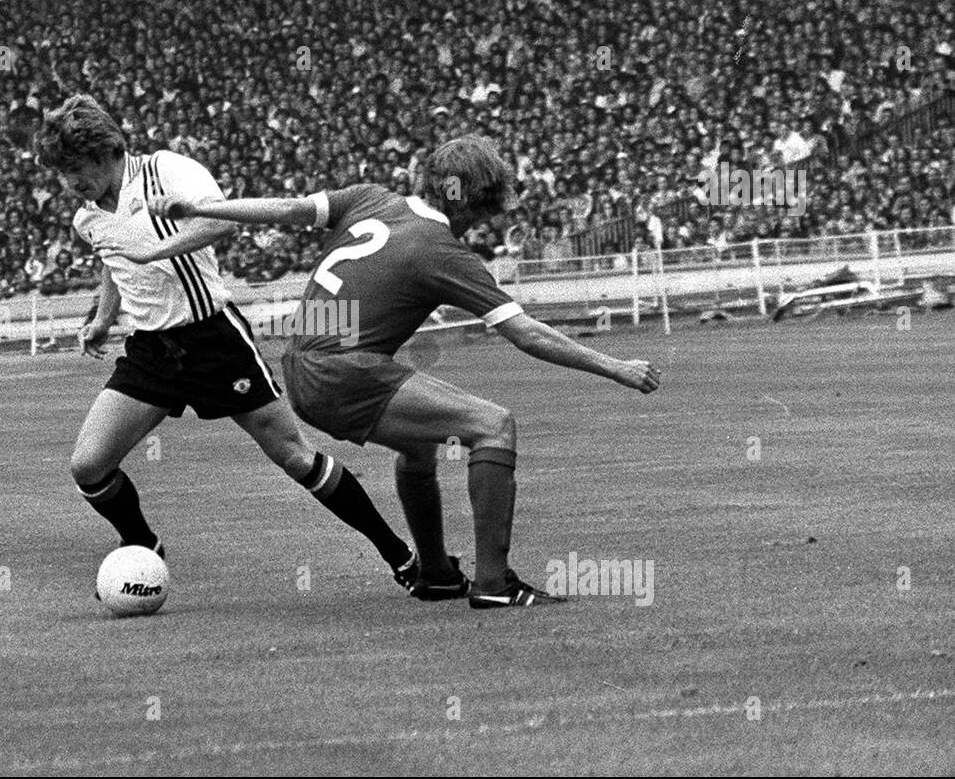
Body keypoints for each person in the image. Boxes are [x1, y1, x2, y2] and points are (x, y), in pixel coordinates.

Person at [108, 135, 662, 609]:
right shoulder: (440, 249)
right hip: (343, 371)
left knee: (419, 446)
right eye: (490, 208)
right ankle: (495, 584)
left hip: (300, 368)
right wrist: (616, 367)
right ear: (474, 202)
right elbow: (526, 333)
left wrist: (202, 209)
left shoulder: (373, 198)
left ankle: (436, 574)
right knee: (494, 426)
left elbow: (290, 209)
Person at [33, 95, 419, 591]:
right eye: (62, 173)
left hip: (213, 339)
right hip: (151, 351)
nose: (71, 182)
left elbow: (220, 220)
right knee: (88, 465)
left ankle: (403, 557)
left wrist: (156, 250)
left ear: (108, 149)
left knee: (294, 456)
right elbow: (113, 260)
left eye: (77, 167)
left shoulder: (163, 171)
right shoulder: (87, 218)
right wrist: (103, 319)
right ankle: (144, 548)